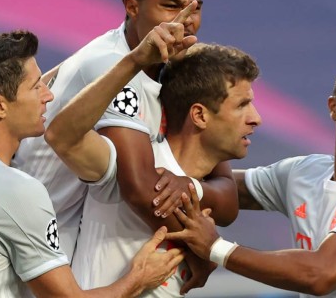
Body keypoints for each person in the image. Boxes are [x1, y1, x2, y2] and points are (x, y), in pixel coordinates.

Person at [12, 0, 236, 291]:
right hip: (43, 246)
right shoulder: (109, 65)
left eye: (195, 7)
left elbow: (225, 189)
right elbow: (142, 191)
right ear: (132, 7)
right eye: (171, 5)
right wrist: (201, 251)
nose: (186, 19)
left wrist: (195, 191)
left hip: (83, 236)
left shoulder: (174, 63)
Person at [0, 30, 183, 298]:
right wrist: (139, 278)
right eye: (35, 87)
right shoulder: (16, 193)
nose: (49, 95)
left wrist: (130, 56)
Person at [166, 58, 336, 297]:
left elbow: (320, 275)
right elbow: (220, 190)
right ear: (334, 107)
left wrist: (214, 248)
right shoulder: (305, 173)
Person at [46, 41, 261, 297]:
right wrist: (132, 62)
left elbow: (229, 206)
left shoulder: (207, 185)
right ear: (200, 116)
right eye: (241, 105)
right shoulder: (128, 168)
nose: (256, 118)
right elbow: (62, 136)